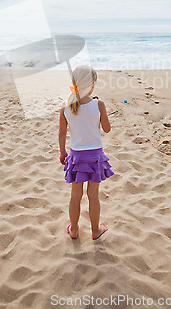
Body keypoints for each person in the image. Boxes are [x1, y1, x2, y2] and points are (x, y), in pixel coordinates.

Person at [59, 65, 114, 240]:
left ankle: (74, 229)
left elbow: (61, 133)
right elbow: (107, 129)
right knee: (93, 195)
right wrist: (101, 113)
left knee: (75, 195)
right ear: (92, 84)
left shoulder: (66, 107)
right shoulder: (98, 104)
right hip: (95, 157)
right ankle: (95, 230)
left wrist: (62, 152)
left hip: (76, 156)